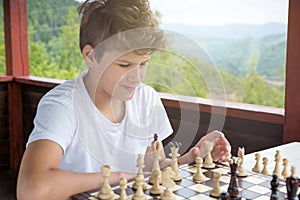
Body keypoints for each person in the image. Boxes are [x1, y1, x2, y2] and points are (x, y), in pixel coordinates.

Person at [17, 0, 231, 199]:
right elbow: (31, 189)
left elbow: (150, 168)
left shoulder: (146, 98)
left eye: (143, 64)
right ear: (90, 56)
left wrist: (194, 157)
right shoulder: (62, 106)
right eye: (124, 65)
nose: (136, 77)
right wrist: (116, 177)